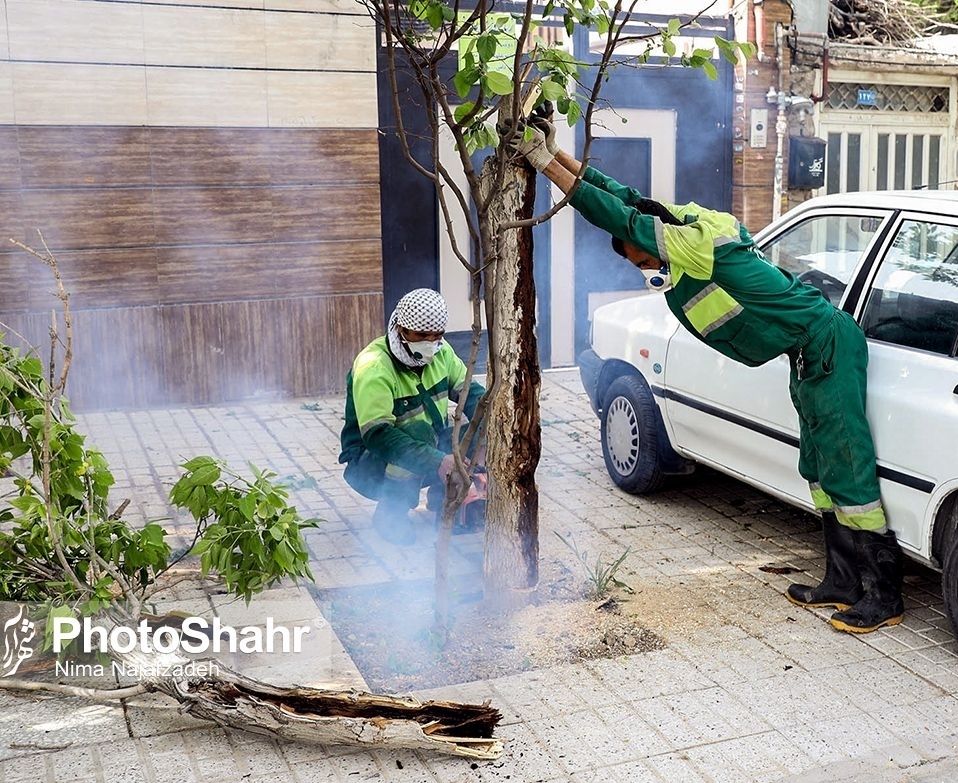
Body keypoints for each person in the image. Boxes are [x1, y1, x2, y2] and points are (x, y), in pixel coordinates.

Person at [506, 114, 904, 633]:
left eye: (639, 255)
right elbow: (627, 199)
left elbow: (618, 216)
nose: (641, 264)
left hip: (827, 344)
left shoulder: (693, 248)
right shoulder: (690, 221)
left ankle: (884, 594)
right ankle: (844, 581)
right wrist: (559, 155)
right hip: (807, 352)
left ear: (656, 242)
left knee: (847, 466)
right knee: (820, 466)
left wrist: (541, 165)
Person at [338, 288, 486, 542]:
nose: (430, 343)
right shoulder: (373, 366)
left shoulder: (442, 352)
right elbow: (379, 436)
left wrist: (486, 436)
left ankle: (444, 502)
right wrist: (439, 461)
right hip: (371, 462)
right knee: (420, 432)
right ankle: (391, 513)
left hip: (428, 447)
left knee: (477, 430)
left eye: (436, 335)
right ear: (400, 329)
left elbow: (472, 395)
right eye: (421, 336)